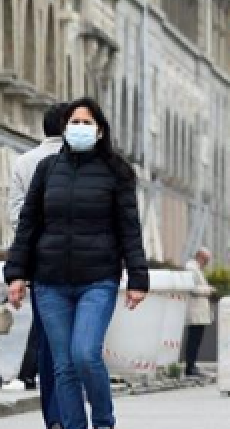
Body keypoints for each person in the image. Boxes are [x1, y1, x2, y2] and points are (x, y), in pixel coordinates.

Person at [5, 97, 149, 429]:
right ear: (64, 128)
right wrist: (16, 274)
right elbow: (28, 225)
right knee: (62, 365)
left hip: (97, 280)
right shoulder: (46, 170)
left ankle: (102, 421)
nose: (79, 128)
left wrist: (138, 278)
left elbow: (130, 227)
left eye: (86, 123)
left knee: (85, 354)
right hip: (50, 281)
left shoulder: (117, 171)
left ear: (100, 130)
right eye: (74, 122)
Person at [8, 102, 67, 427]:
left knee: (48, 339)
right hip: (80, 267)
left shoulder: (23, 161)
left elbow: (15, 214)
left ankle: (55, 417)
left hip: (40, 263)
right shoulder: (86, 163)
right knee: (76, 344)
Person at [183, 247, 216, 378]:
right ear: (200, 257)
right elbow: (192, 288)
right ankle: (190, 367)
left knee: (196, 340)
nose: (206, 263)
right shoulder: (191, 268)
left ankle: (192, 365)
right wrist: (208, 289)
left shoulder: (196, 269)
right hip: (195, 311)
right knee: (193, 340)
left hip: (200, 312)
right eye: (206, 260)